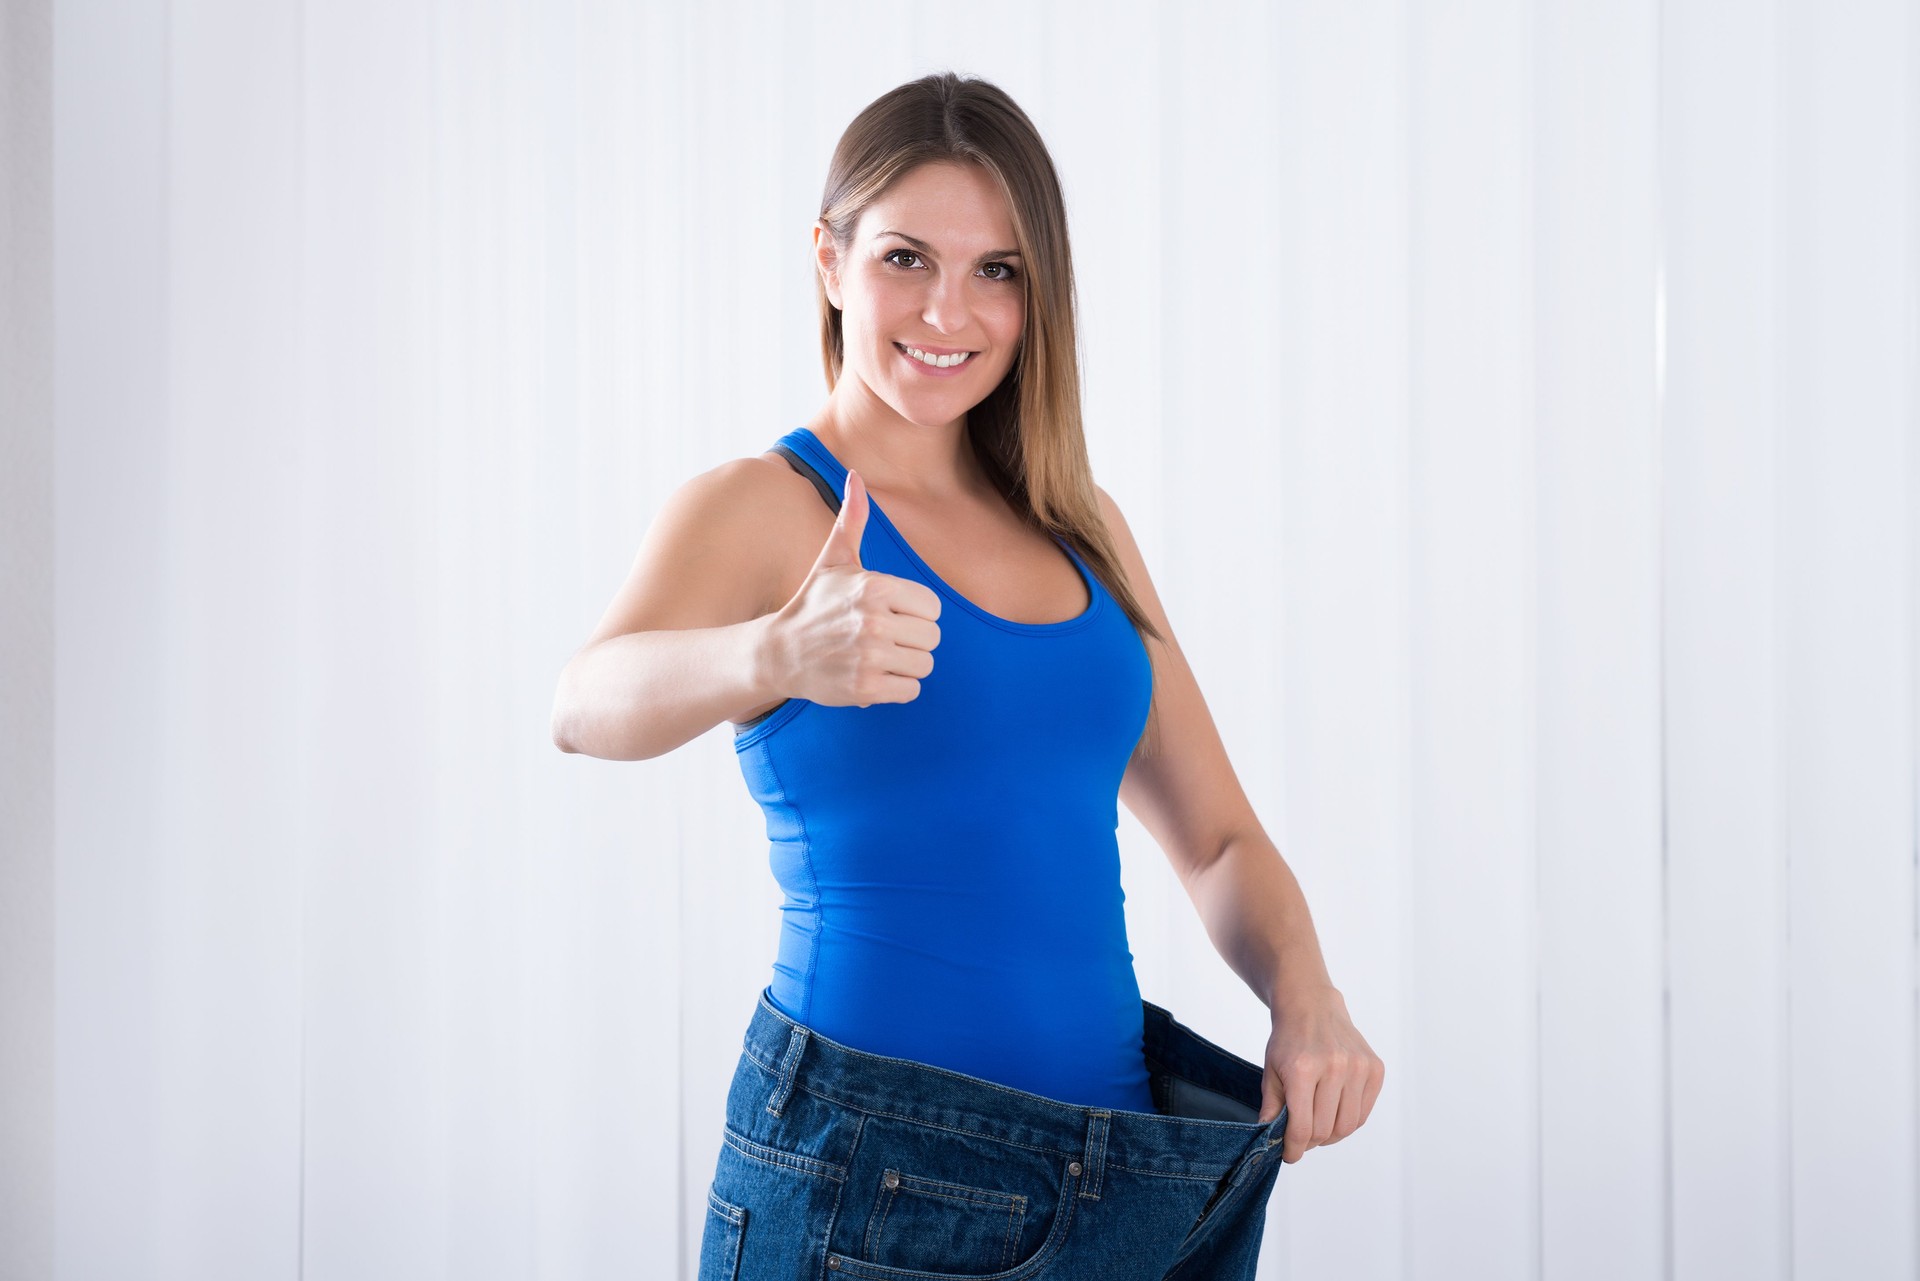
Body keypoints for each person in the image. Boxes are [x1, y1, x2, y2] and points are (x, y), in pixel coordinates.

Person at [552, 71, 1383, 1281]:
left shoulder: (1079, 523)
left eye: (997, 270)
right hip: (871, 1177)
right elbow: (582, 702)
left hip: (1134, 1183)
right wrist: (774, 652)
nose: (950, 310)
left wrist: (1306, 996)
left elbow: (1216, 842)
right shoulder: (768, 507)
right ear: (830, 262)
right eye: (906, 258)